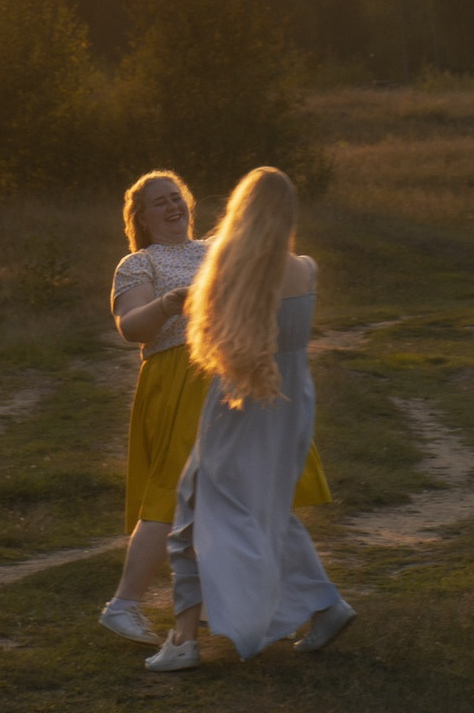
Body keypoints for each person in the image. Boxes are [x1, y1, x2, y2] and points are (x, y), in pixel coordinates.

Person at [146, 165, 355, 672]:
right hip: (290, 404)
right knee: (265, 510)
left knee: (193, 510)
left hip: (239, 401)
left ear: (241, 209)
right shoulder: (305, 267)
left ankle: (185, 639)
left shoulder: (230, 267)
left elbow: (211, 340)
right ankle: (326, 606)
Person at [99, 171, 209, 646]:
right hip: (175, 379)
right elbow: (131, 328)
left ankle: (208, 603)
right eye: (159, 203)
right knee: (170, 491)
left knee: (221, 495)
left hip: (222, 377)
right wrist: (168, 304)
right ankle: (123, 605)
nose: (172, 207)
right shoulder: (139, 263)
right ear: (141, 218)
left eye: (177, 198)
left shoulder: (213, 252)